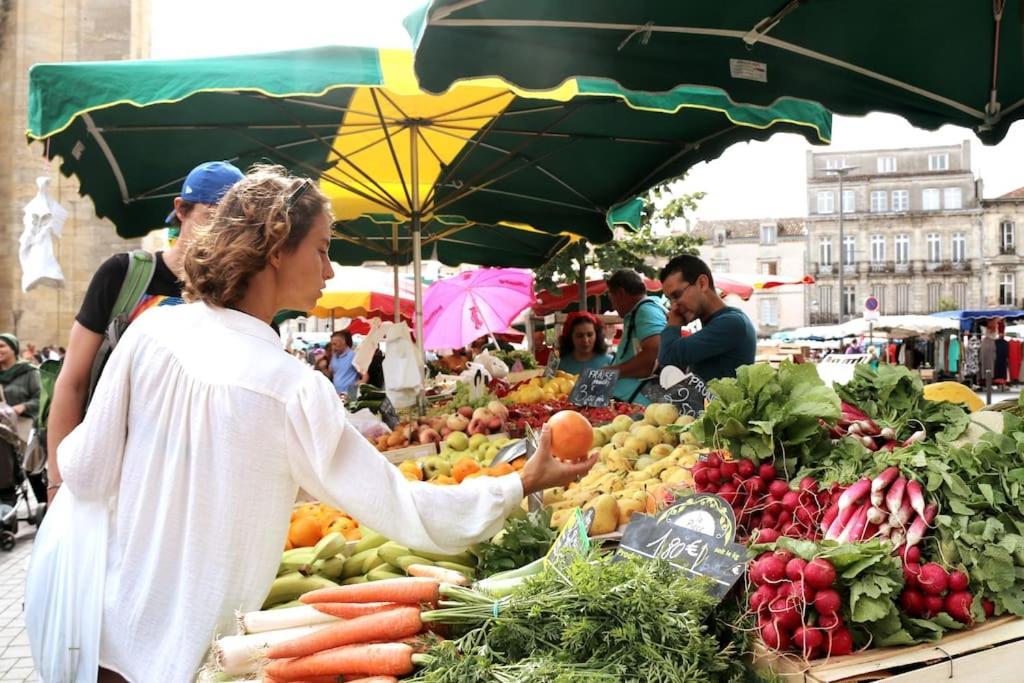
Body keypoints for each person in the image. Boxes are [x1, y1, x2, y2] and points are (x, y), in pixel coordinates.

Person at [40, 165, 596, 681]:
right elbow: (400, 507)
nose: (330, 269)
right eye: (323, 249)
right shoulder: (292, 389)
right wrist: (520, 482)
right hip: (198, 658)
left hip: (107, 641)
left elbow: (85, 472)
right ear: (278, 248)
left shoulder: (150, 335)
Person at [46, 161, 244, 504]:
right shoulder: (123, 275)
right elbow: (73, 380)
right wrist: (56, 480)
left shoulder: (235, 296)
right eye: (213, 217)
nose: (223, 234)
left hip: (183, 482)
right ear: (181, 210)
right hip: (105, 474)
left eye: (236, 225)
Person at [657, 255, 757, 383]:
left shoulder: (731, 323)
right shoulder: (716, 322)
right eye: (670, 299)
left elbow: (668, 357)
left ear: (702, 283)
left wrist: (673, 326)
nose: (674, 307)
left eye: (676, 296)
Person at [606, 269, 666, 402]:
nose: (612, 305)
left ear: (620, 293)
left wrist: (611, 372)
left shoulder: (646, 311)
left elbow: (654, 353)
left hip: (642, 406)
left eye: (611, 298)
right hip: (632, 404)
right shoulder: (638, 312)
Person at [0, 334, 44, 503]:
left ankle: (42, 502)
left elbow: (41, 397)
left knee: (31, 468)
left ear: (13, 349)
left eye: (2, 346)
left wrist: (22, 407)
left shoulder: (29, 372)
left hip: (26, 425)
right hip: (3, 428)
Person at [329, 330, 364, 397]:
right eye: (332, 344)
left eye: (335, 344)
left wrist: (352, 392)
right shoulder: (334, 356)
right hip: (337, 394)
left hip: (349, 395)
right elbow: (331, 372)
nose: (333, 347)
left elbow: (365, 376)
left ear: (343, 342)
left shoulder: (353, 356)